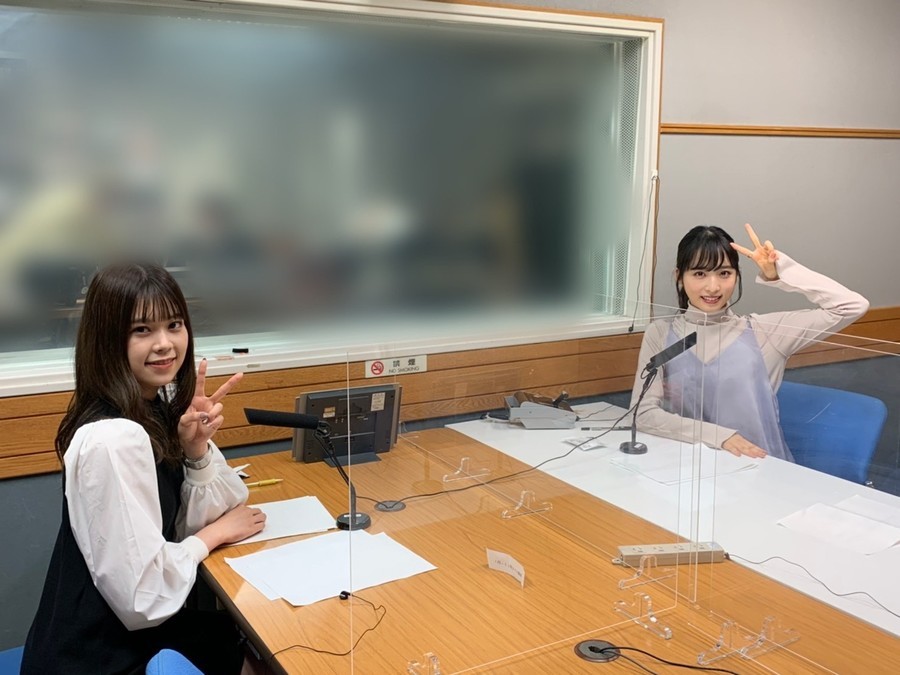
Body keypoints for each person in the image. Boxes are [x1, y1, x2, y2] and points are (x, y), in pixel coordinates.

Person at [21, 263, 267, 674]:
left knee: (245, 641)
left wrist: (195, 451)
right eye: (142, 330)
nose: (165, 344)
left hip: (137, 629)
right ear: (108, 340)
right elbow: (143, 597)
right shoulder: (113, 438)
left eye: (174, 325)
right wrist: (214, 535)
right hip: (96, 655)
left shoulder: (152, 408)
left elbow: (220, 510)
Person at [630, 223, 869, 460]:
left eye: (724, 273)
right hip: (691, 470)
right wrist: (721, 437)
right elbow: (643, 414)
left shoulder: (765, 332)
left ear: (737, 276)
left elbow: (852, 306)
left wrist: (780, 273)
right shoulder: (661, 334)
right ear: (679, 277)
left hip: (763, 468)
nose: (713, 287)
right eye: (699, 274)